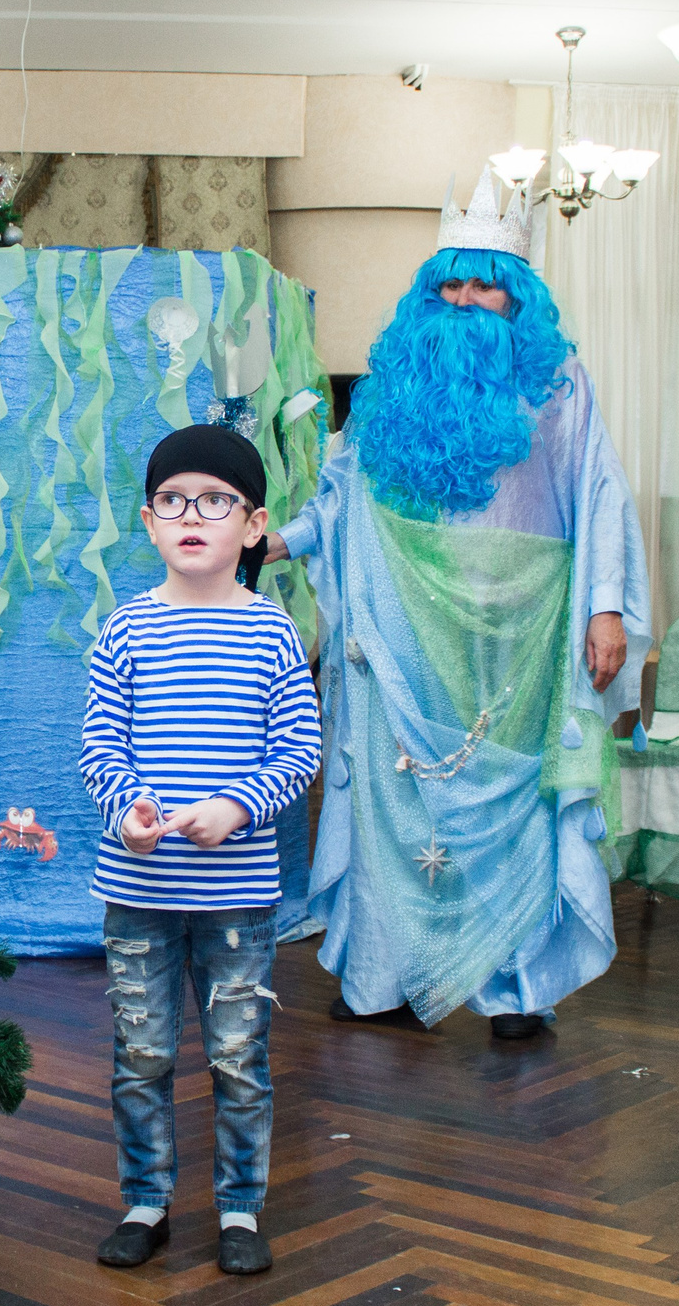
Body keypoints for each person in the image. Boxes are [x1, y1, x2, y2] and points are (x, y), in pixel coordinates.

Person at [269, 170, 649, 1041]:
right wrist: (279, 541)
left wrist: (604, 608)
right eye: (454, 281)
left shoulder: (559, 382)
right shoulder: (394, 382)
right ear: (430, 290)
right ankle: (385, 976)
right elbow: (345, 498)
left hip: (524, 627)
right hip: (402, 622)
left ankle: (517, 985)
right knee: (397, 798)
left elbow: (599, 493)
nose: (470, 299)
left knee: (508, 800)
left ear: (519, 298)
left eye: (488, 284)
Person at [79, 425, 321, 1278]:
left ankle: (241, 1208)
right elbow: (100, 748)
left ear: (251, 527)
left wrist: (237, 805)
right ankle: (145, 1200)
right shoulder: (126, 630)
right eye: (175, 501)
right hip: (139, 890)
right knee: (141, 1054)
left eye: (215, 501)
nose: (194, 516)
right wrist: (127, 811)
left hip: (238, 895)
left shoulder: (272, 635)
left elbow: (299, 751)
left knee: (237, 1057)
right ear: (150, 522)